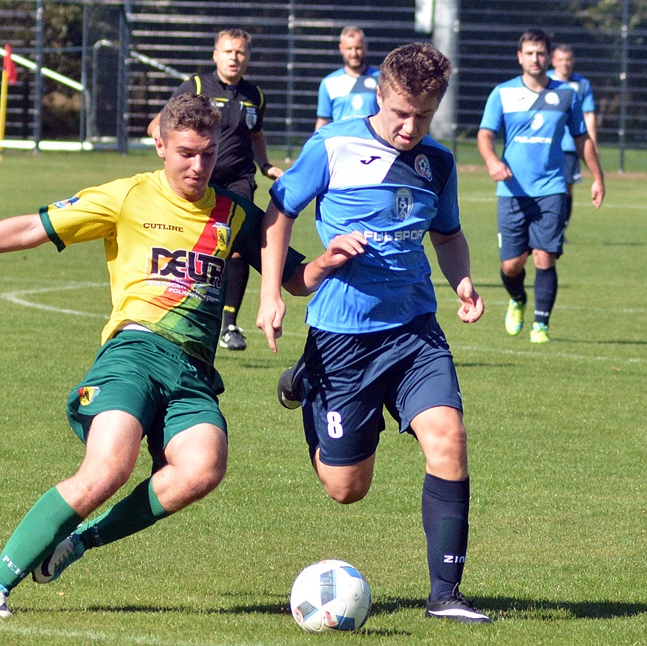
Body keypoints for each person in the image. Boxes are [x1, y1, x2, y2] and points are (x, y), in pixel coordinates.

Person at [0, 94, 315, 617]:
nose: (198, 165)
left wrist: (339, 262)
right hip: (134, 352)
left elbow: (295, 276)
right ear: (159, 145)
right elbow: (31, 227)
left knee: (203, 468)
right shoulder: (127, 196)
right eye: (186, 153)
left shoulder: (233, 211)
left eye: (207, 153)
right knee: (109, 468)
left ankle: (79, 543)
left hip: (194, 372)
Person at [256, 42, 492, 624]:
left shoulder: (438, 162)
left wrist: (463, 282)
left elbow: (447, 234)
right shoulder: (331, 146)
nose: (410, 128)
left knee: (449, 439)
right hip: (342, 338)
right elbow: (278, 214)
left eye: (424, 116)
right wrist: (270, 296)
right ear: (379, 96)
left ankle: (446, 595)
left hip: (414, 332)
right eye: (400, 114)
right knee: (347, 488)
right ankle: (307, 382)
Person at [147, 28, 284, 353]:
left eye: (240, 52)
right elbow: (159, 123)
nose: (234, 58)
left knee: (236, 246)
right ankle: (176, 307)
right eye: (227, 51)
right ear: (215, 55)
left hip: (239, 179)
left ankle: (230, 325)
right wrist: (164, 144)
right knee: (194, 243)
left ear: (247, 57)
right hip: (200, 179)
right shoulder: (195, 87)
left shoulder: (255, 95)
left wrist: (265, 165)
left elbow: (256, 136)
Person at [478, 29, 605, 344]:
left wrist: (598, 177)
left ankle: (541, 325)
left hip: (551, 188)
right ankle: (518, 299)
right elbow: (485, 135)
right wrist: (492, 162)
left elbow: (582, 138)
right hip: (512, 191)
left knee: (544, 257)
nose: (535, 59)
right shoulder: (502, 93)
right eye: (529, 53)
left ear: (548, 58)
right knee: (512, 265)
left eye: (540, 53)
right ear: (519, 57)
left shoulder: (566, 95)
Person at [549, 43, 597, 221]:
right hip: (546, 143)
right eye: (560, 59)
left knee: (566, 187)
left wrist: (593, 143)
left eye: (568, 60)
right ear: (553, 61)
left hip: (569, 146)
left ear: (573, 61)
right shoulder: (544, 80)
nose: (564, 63)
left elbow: (588, 114)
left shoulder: (582, 85)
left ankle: (561, 225)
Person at [315, 26, 381, 130]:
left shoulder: (381, 79)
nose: (354, 54)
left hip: (371, 140)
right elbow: (323, 121)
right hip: (340, 140)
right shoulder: (329, 82)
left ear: (365, 47)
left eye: (358, 48)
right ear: (341, 49)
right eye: (349, 48)